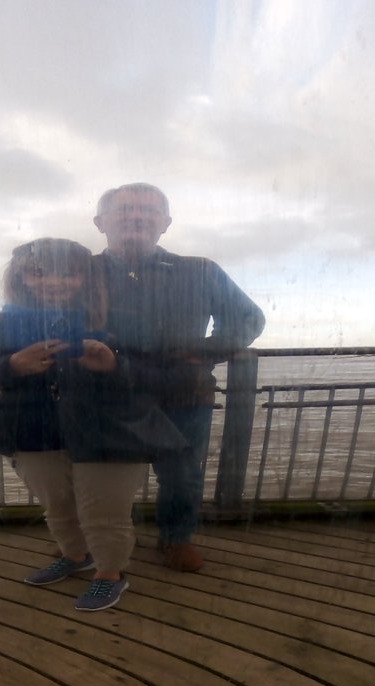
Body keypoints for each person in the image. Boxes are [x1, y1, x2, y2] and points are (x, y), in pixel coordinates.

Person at [0, 238, 185, 612]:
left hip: (113, 431)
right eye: (39, 272)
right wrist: (10, 366)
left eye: (67, 273)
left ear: (85, 278)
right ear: (21, 277)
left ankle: (110, 573)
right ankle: (75, 556)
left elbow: (164, 378)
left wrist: (113, 366)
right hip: (32, 431)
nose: (53, 282)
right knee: (57, 505)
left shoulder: (125, 320)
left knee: (105, 513)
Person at [94, 183, 265, 571]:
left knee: (182, 475)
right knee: (98, 472)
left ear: (165, 223)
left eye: (147, 210)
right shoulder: (82, 270)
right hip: (105, 391)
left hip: (184, 392)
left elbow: (249, 318)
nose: (135, 216)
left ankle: (175, 539)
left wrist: (204, 350)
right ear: (100, 222)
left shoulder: (200, 270)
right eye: (124, 210)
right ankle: (93, 536)